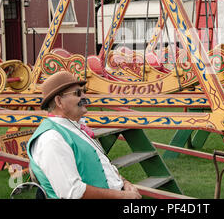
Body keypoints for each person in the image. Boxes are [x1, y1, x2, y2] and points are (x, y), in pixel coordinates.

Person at [27, 71, 141, 199]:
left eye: (83, 91)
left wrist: (125, 183)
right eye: (78, 93)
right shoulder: (51, 138)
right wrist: (122, 196)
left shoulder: (71, 127)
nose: (84, 97)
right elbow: (73, 192)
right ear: (59, 101)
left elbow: (102, 166)